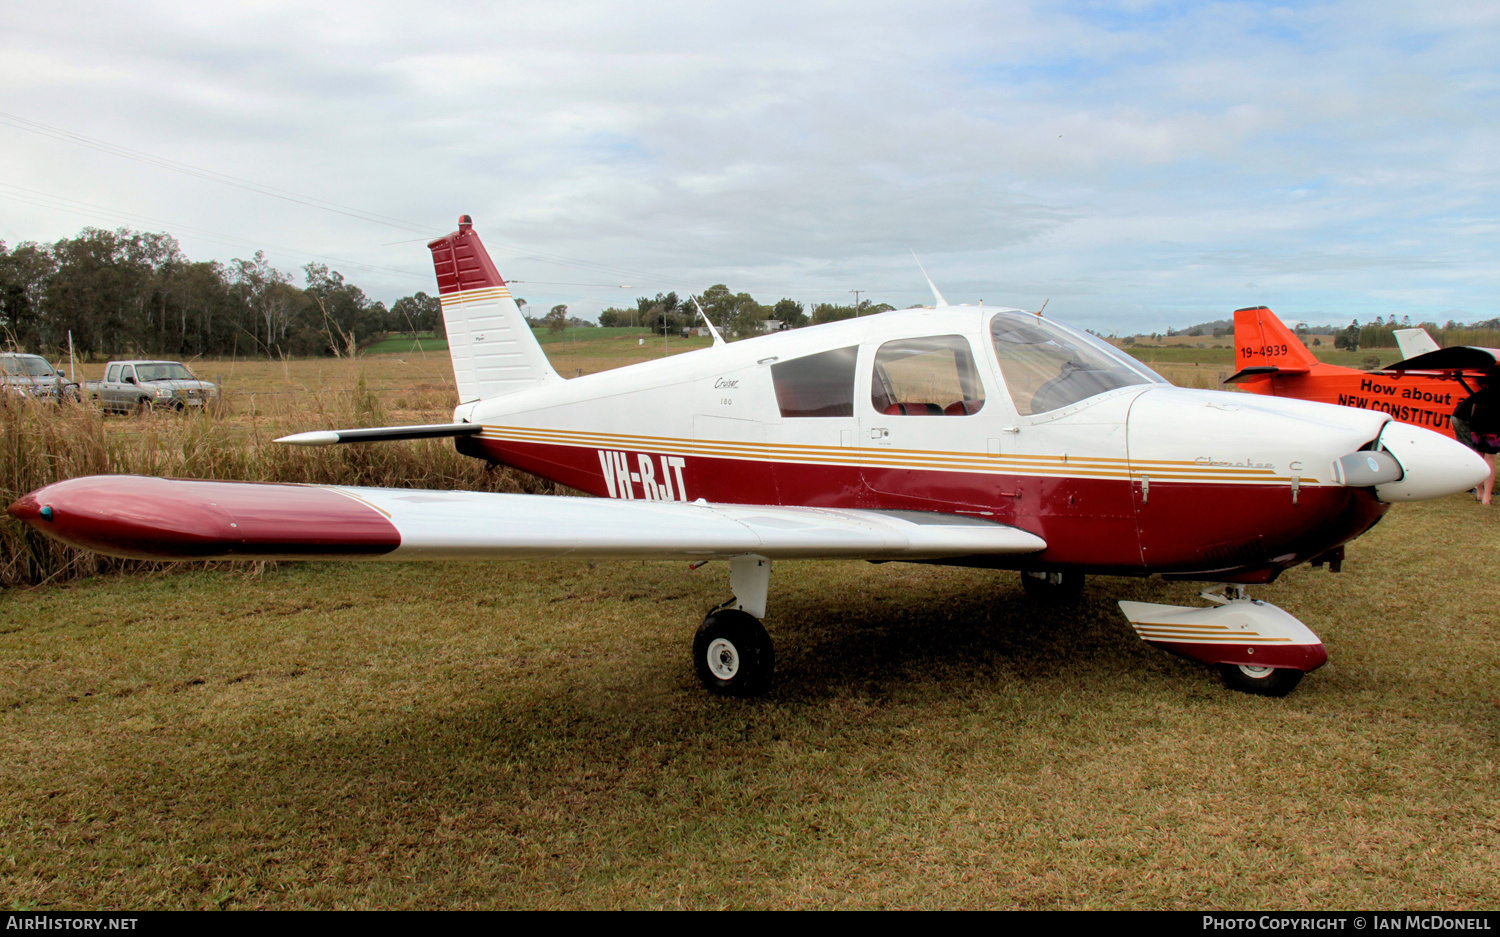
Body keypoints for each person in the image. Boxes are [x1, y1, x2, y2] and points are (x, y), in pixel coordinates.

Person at [1451, 375, 1500, 505]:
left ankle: (1479, 493)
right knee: (1490, 459)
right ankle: (1487, 496)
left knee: (1479, 458)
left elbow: (1473, 410)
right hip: (1493, 429)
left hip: (1477, 427)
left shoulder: (1481, 393)